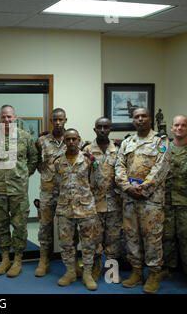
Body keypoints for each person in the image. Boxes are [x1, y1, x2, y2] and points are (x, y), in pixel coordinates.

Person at [115, 107, 170, 293]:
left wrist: (143, 188)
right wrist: (127, 187)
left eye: (144, 116)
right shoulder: (127, 142)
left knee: (152, 237)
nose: (140, 119)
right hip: (130, 198)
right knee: (131, 236)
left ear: (149, 118)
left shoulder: (160, 141)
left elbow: (161, 168)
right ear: (133, 119)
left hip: (151, 200)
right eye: (137, 116)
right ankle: (137, 272)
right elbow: (119, 166)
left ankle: (154, 274)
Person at [0, 105, 37, 277]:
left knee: (19, 226)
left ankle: (18, 259)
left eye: (9, 117)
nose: (7, 120)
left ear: (15, 117)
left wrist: (23, 176)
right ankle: (5, 258)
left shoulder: (25, 138)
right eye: (3, 117)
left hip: (18, 192)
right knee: (0, 226)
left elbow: (33, 160)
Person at [52, 128, 101, 291]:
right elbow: (57, 184)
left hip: (86, 209)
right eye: (68, 139)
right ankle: (70, 271)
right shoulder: (58, 161)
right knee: (66, 243)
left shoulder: (88, 160)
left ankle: (87, 273)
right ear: (64, 141)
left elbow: (95, 182)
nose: (71, 142)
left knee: (88, 243)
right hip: (65, 209)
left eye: (74, 139)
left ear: (79, 140)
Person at [84, 117, 122, 282]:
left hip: (114, 203)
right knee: (94, 238)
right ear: (94, 129)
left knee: (113, 238)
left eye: (105, 127)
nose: (102, 130)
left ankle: (112, 270)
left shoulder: (118, 150)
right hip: (93, 202)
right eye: (99, 127)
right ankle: (96, 267)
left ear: (110, 129)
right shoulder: (86, 150)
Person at [35, 108, 69, 277]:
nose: (58, 123)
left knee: (66, 227)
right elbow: (36, 161)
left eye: (61, 119)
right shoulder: (42, 141)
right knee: (44, 226)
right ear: (51, 120)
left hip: (67, 191)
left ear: (65, 120)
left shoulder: (72, 139)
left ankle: (69, 264)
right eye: (55, 119)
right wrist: (47, 174)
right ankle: (44, 261)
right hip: (47, 191)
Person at [161, 114, 187, 278]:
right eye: (176, 125)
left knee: (185, 237)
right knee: (167, 236)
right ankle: (169, 268)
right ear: (171, 128)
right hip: (167, 202)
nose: (179, 128)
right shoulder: (164, 149)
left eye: (183, 125)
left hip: (185, 202)